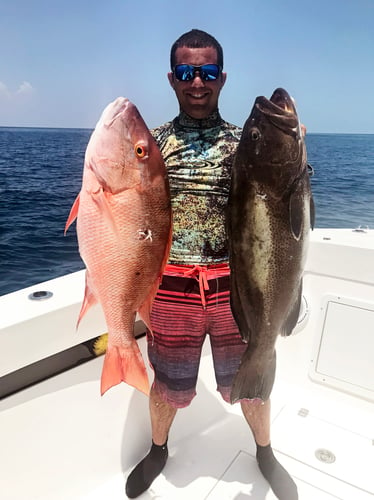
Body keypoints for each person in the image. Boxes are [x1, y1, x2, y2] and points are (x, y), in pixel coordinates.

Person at [125, 29, 298, 500]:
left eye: (206, 72)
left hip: (235, 288)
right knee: (166, 384)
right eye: (186, 72)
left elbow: (279, 202)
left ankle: (264, 451)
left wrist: (299, 157)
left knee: (254, 380)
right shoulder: (152, 145)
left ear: (221, 78)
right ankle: (159, 448)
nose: (196, 82)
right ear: (172, 78)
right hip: (171, 289)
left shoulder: (246, 143)